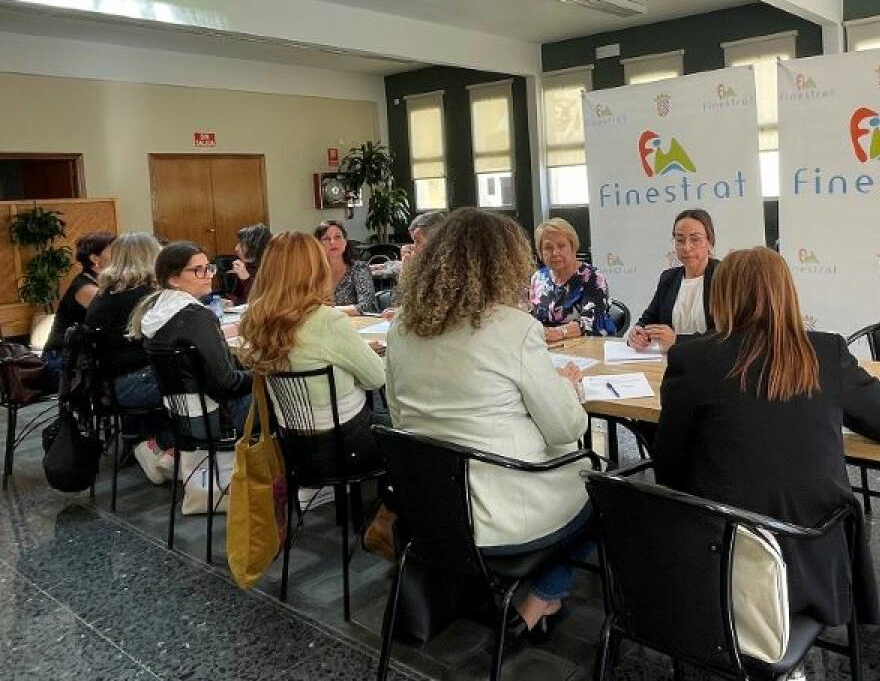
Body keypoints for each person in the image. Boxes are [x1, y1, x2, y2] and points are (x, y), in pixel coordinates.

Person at [655, 247, 880, 629]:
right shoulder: (824, 352)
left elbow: (668, 468)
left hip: (720, 557)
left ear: (722, 295)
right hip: (813, 558)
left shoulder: (693, 359)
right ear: (786, 292)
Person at [387, 207, 590, 636]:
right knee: (603, 486)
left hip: (434, 514)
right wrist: (570, 387)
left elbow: (399, 416)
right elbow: (566, 430)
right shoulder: (513, 329)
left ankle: (521, 596)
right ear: (505, 263)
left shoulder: (403, 327)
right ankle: (542, 599)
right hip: (505, 512)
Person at [238, 231, 394, 551]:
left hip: (293, 447)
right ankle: (387, 521)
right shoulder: (327, 322)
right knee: (408, 437)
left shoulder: (255, 319)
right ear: (315, 269)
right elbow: (377, 378)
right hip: (345, 444)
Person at [131, 242, 253, 445]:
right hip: (215, 418)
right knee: (287, 395)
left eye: (209, 268)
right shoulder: (197, 317)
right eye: (198, 270)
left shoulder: (157, 310)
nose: (208, 275)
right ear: (173, 279)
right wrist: (264, 373)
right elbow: (227, 385)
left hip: (180, 414)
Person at [84, 232, 166, 483]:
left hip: (110, 385)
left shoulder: (106, 293)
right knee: (204, 377)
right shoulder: (142, 296)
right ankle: (164, 446)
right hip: (135, 384)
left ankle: (166, 447)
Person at [629, 209, 719, 351]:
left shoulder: (726, 277)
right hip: (672, 363)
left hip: (713, 362)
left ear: (710, 242)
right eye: (680, 240)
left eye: (695, 239)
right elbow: (649, 318)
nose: (686, 247)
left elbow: (728, 333)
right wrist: (637, 332)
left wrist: (678, 341)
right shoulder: (668, 278)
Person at [42, 231, 114, 384]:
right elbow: (111, 317)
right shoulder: (85, 287)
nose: (119, 254)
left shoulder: (98, 282)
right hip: (61, 360)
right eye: (112, 250)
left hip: (79, 356)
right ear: (95, 259)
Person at [529, 217, 616, 341]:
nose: (555, 253)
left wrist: (559, 333)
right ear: (540, 253)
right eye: (548, 247)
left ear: (573, 247)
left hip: (586, 346)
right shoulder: (538, 278)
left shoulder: (592, 277)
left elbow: (592, 322)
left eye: (561, 246)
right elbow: (531, 318)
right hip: (544, 347)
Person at [315, 219, 378, 315]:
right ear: (318, 244)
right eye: (326, 239)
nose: (332, 242)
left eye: (337, 237)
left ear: (345, 242)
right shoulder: (314, 273)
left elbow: (367, 306)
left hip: (357, 326)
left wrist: (328, 311)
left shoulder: (359, 269)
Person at [226, 223, 271, 306]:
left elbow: (262, 301)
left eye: (241, 244)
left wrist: (246, 279)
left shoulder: (271, 267)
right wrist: (231, 302)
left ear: (254, 245)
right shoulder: (247, 265)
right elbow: (238, 296)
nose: (236, 248)